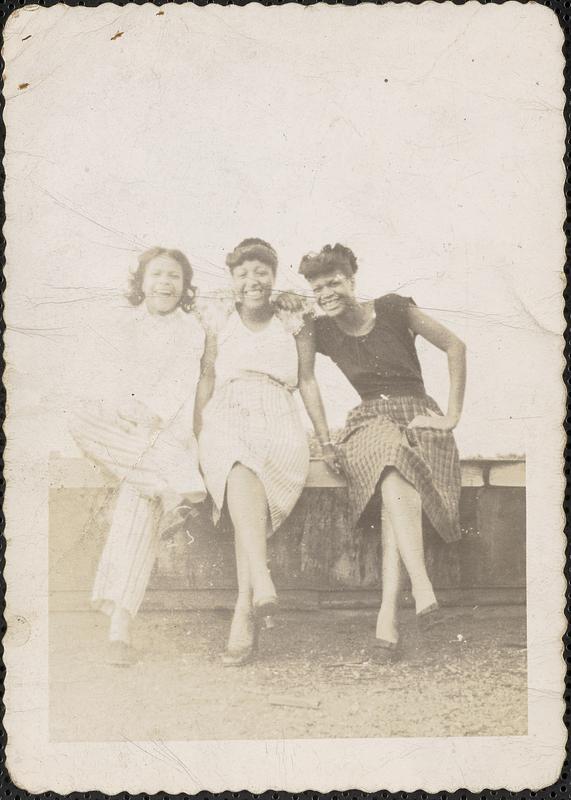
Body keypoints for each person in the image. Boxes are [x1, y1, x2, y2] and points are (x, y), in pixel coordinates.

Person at [298, 243, 466, 659]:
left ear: (353, 279)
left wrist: (451, 417)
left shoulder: (393, 308)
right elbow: (305, 379)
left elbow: (456, 347)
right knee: (389, 452)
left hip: (418, 418)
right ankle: (423, 587)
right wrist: (323, 440)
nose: (326, 293)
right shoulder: (319, 329)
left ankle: (387, 616)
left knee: (396, 481)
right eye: (317, 288)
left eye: (334, 282)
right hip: (369, 422)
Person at [196, 238, 338, 666]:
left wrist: (325, 439)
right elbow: (206, 378)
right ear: (233, 280)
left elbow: (308, 380)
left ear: (274, 278)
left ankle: (249, 599)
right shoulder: (219, 317)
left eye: (261, 272)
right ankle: (257, 588)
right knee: (237, 461)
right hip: (228, 410)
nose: (252, 281)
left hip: (278, 413)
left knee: (252, 472)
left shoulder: (293, 318)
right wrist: (198, 432)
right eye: (243, 274)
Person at [70, 247, 207, 666]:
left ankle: (120, 627)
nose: (166, 283)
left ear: (184, 288)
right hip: (124, 430)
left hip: (164, 431)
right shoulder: (122, 323)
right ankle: (176, 487)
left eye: (175, 277)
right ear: (142, 281)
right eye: (158, 274)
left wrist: (148, 416)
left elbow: (181, 384)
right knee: (77, 418)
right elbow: (107, 374)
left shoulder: (191, 329)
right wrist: (123, 410)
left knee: (138, 498)